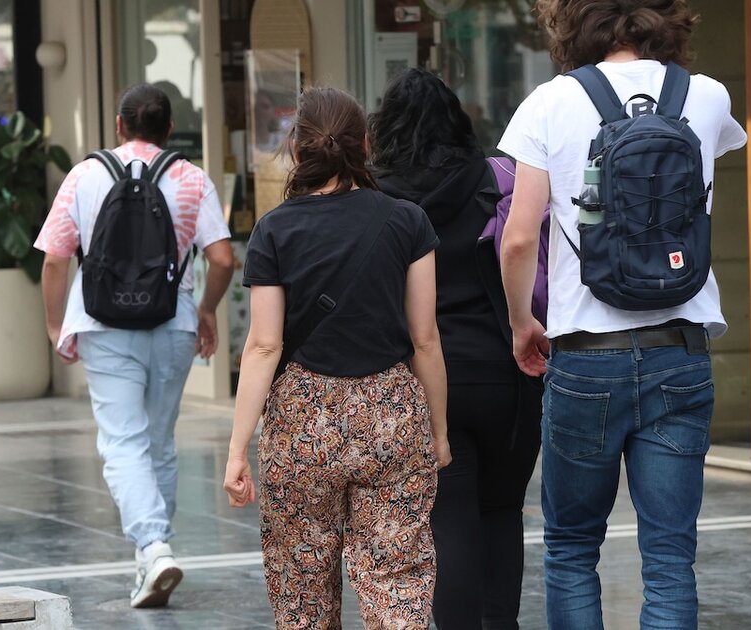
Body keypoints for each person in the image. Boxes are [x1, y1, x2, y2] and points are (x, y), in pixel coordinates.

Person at [498, 1, 746, 627]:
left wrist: (522, 323)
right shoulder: (706, 95)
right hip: (680, 349)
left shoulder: (548, 103)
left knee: (572, 549)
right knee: (670, 558)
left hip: (586, 357)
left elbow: (519, 238)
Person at [222, 86, 451, 629]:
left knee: (302, 588)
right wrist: (438, 431)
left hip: (302, 419)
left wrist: (237, 449)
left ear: (296, 150)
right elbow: (425, 339)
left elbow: (264, 345)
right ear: (364, 145)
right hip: (391, 413)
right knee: (396, 580)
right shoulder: (407, 220)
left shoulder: (274, 230)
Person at [34, 83, 234, 608]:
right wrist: (206, 309)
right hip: (173, 322)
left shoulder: (85, 175)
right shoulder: (190, 177)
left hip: (103, 325)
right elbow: (222, 258)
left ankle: (152, 547)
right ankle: (151, 557)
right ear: (169, 129)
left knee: (123, 443)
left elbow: (55, 259)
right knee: (159, 444)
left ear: (119, 126)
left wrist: (56, 326)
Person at [368, 67, 541, 629]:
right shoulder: (494, 180)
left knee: (447, 519)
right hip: (505, 373)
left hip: (424, 378)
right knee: (502, 511)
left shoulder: (376, 199)